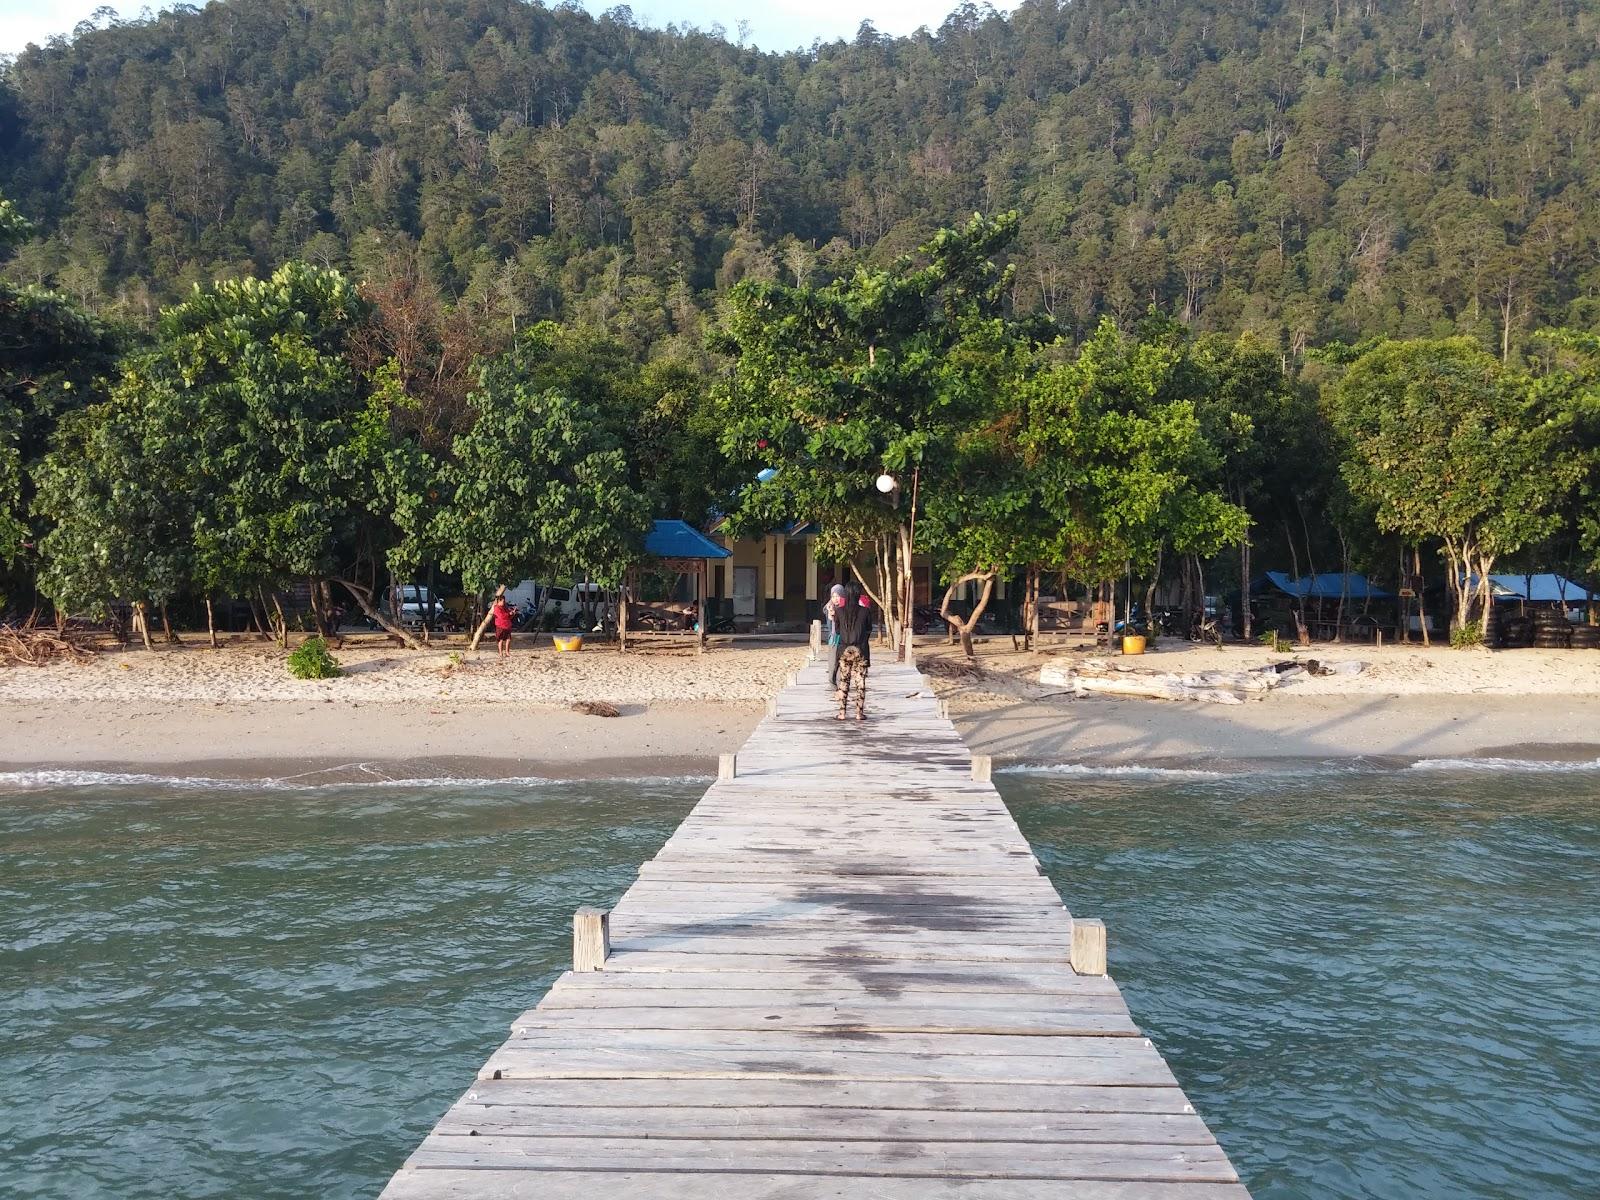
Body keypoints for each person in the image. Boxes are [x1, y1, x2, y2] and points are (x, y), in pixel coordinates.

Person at [833, 581, 871, 722]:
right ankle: (859, 713)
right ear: (858, 594)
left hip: (844, 649)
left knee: (844, 680)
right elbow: (868, 630)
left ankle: (842, 713)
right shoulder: (865, 611)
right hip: (860, 649)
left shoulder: (839, 611)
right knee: (860, 681)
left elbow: (837, 630)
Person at [823, 583, 846, 687]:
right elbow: (829, 626)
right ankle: (832, 679)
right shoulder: (828, 607)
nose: (835, 599)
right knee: (832, 659)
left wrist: (836, 615)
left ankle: (840, 680)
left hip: (843, 638)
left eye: (837, 596)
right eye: (833, 596)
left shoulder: (845, 608)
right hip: (833, 637)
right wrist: (830, 614)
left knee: (842, 660)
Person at [490, 586, 516, 661]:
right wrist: (509, 614)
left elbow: (508, 616)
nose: (504, 602)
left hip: (507, 626)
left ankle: (507, 652)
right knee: (500, 640)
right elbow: (502, 616)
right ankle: (501, 653)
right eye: (502, 601)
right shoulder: (496, 608)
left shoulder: (505, 607)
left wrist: (512, 613)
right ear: (499, 601)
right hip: (500, 626)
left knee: (508, 639)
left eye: (504, 601)